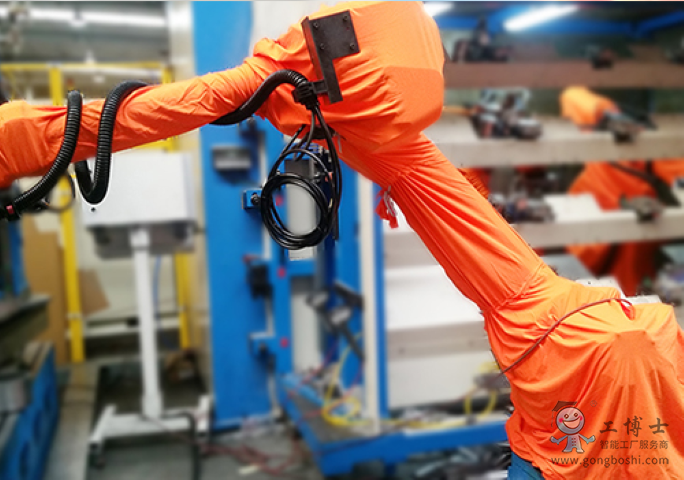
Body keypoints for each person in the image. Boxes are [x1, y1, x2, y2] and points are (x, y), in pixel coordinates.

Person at [1, 2, 683, 478]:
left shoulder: (355, 123)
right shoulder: (395, 148)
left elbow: (169, 108)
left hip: (582, 364)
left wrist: (17, 142)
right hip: (607, 335)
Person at [560, 86, 684, 295]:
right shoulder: (599, 124)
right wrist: (608, 115)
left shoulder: (656, 150)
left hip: (622, 236)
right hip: (583, 223)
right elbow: (571, 94)